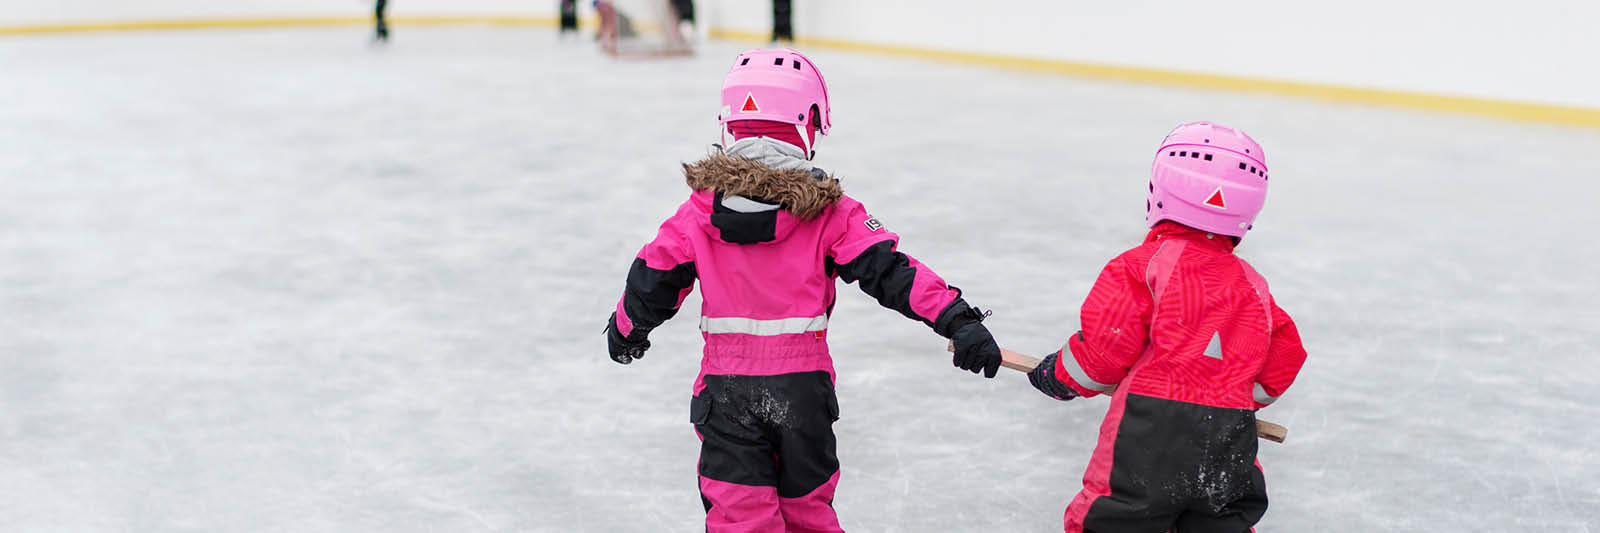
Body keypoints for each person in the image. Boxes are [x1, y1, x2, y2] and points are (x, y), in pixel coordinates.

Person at [605, 48, 1003, 532]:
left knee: (740, 515)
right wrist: (957, 319)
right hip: (803, 392)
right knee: (807, 513)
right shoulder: (832, 214)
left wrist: (627, 329)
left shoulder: (696, 214)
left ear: (730, 123)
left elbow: (653, 274)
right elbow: (893, 272)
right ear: (808, 122)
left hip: (727, 392)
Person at [1025, 122, 1308, 532]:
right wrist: (1236, 394)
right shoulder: (1253, 283)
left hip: (1149, 429)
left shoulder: (1141, 265)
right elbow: (1286, 356)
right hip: (1228, 435)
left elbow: (1104, 354)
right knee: (1220, 522)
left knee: (1118, 517)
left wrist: (1060, 376)